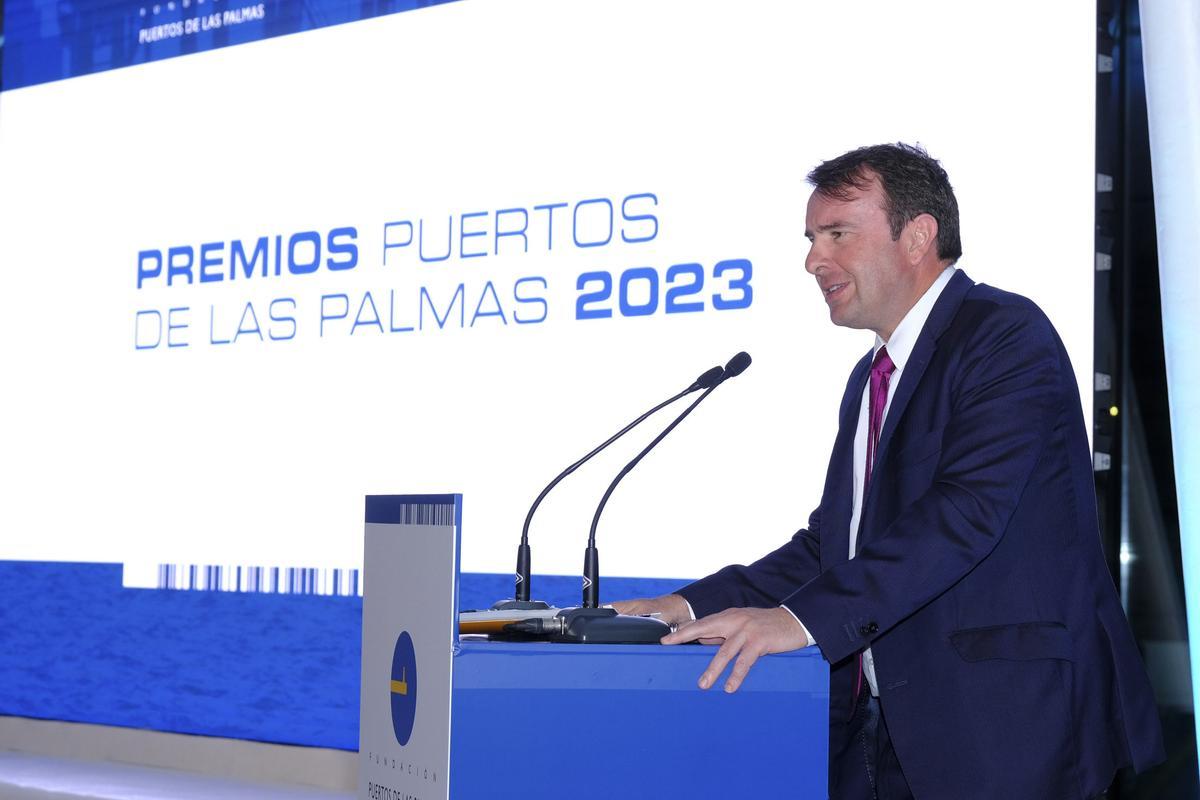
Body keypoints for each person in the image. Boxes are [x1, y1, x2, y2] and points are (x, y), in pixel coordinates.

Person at [614, 143, 1164, 799]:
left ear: (918, 235)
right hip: (879, 733)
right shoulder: (869, 379)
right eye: (812, 238)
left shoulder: (1004, 336)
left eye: (837, 232)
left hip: (1003, 730)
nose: (814, 259)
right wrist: (686, 604)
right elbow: (832, 546)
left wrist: (801, 621)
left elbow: (964, 516)